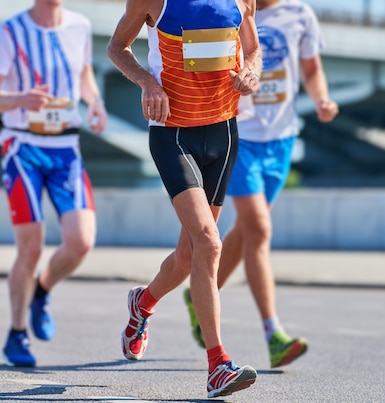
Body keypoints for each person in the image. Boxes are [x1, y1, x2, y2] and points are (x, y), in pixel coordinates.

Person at [105, 0, 262, 398]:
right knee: (209, 243)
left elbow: (253, 48)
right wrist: (149, 83)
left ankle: (142, 303)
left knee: (189, 256)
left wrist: (251, 72)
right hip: (173, 133)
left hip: (223, 134)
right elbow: (117, 48)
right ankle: (217, 366)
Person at [183, 0, 339, 368]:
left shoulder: (300, 15)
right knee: (259, 227)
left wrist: (322, 99)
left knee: (251, 229)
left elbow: (312, 68)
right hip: (240, 134)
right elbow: (200, 61)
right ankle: (274, 335)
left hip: (282, 140)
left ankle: (202, 292)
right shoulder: (228, 8)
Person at [0, 0, 108, 367]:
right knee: (31, 246)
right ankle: (17, 333)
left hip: (67, 147)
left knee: (81, 242)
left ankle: (42, 289)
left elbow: (84, 75)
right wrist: (22, 99)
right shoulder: (9, 31)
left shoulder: (80, 25)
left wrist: (95, 102)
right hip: (23, 147)